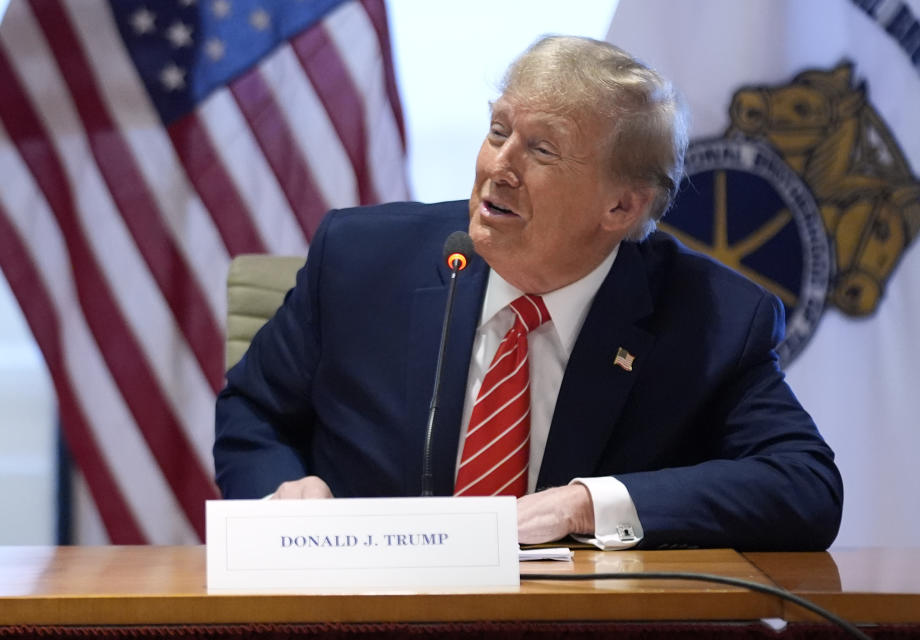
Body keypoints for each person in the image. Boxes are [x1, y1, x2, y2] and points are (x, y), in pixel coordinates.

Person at [214, 35, 842, 551]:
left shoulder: (713, 320)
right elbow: (254, 409)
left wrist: (587, 505)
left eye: (541, 149)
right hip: (365, 616)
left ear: (622, 206)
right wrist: (283, 493)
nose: (497, 167)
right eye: (498, 131)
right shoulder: (359, 260)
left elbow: (804, 484)